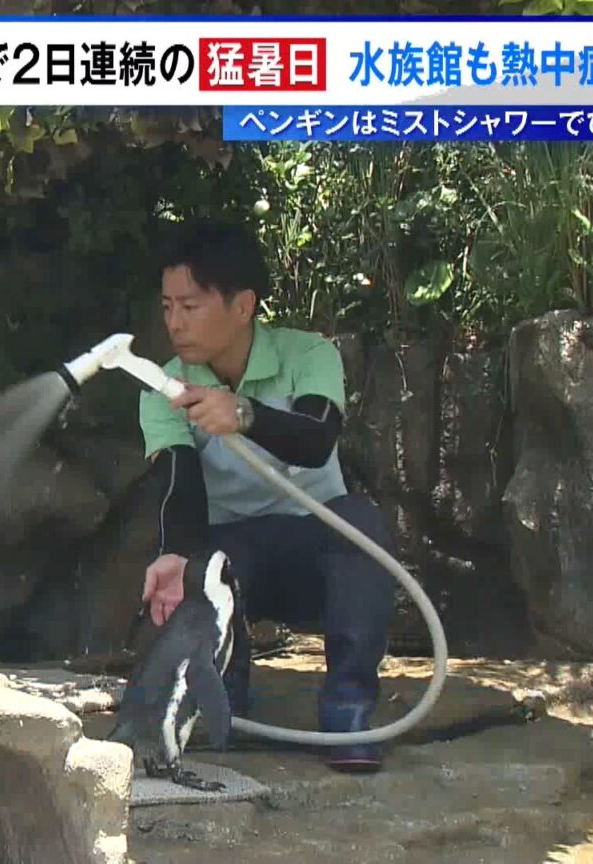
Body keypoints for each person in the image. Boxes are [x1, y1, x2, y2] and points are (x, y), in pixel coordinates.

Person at [137, 218, 398, 773]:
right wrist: (173, 554)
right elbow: (177, 480)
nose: (175, 323)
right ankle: (226, 705)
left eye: (191, 305)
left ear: (242, 305)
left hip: (316, 542)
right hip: (235, 556)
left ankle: (350, 713)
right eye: (167, 307)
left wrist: (243, 414)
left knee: (362, 522)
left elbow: (315, 438)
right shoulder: (165, 385)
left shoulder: (310, 355)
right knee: (202, 558)